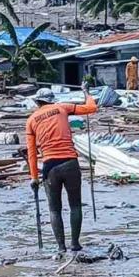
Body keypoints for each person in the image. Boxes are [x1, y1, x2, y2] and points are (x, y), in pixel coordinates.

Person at [26, 85, 98, 256]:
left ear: (38, 102)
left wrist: (34, 178)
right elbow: (92, 108)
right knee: (75, 205)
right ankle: (75, 244)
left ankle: (61, 247)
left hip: (50, 167)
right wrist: (86, 92)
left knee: (54, 209)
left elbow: (32, 153)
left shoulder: (31, 120)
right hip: (70, 163)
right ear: (52, 100)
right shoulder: (62, 108)